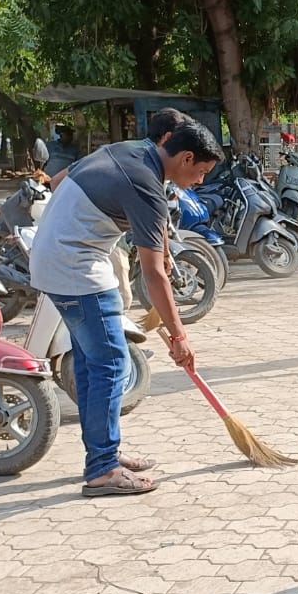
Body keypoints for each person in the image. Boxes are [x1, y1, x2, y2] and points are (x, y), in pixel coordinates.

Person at [30, 119, 221, 496]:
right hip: (77, 270)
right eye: (200, 172)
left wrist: (164, 247)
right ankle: (102, 469)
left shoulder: (130, 150)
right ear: (185, 158)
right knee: (112, 363)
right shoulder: (146, 186)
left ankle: (104, 454)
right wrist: (180, 337)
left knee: (90, 364)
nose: (199, 181)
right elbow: (153, 276)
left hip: (52, 261)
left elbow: (57, 181)